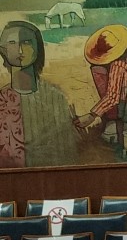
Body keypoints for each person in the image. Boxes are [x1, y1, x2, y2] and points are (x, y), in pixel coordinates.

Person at [0, 19, 78, 168]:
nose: (20, 50)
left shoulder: (56, 97)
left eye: (26, 42)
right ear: (3, 50)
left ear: (38, 48)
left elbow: (66, 152)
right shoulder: (2, 100)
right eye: (12, 43)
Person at [74, 24, 127, 158]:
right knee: (97, 69)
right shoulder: (124, 56)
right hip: (126, 95)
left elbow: (113, 96)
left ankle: (126, 136)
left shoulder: (118, 64)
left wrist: (91, 115)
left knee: (126, 116)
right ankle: (113, 124)